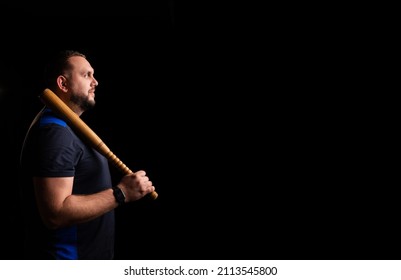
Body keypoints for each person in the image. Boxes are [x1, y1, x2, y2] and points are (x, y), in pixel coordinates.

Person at [19, 50, 156, 260]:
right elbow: (55, 214)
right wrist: (122, 193)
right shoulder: (55, 133)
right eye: (86, 75)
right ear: (63, 84)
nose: (95, 82)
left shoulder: (67, 127)